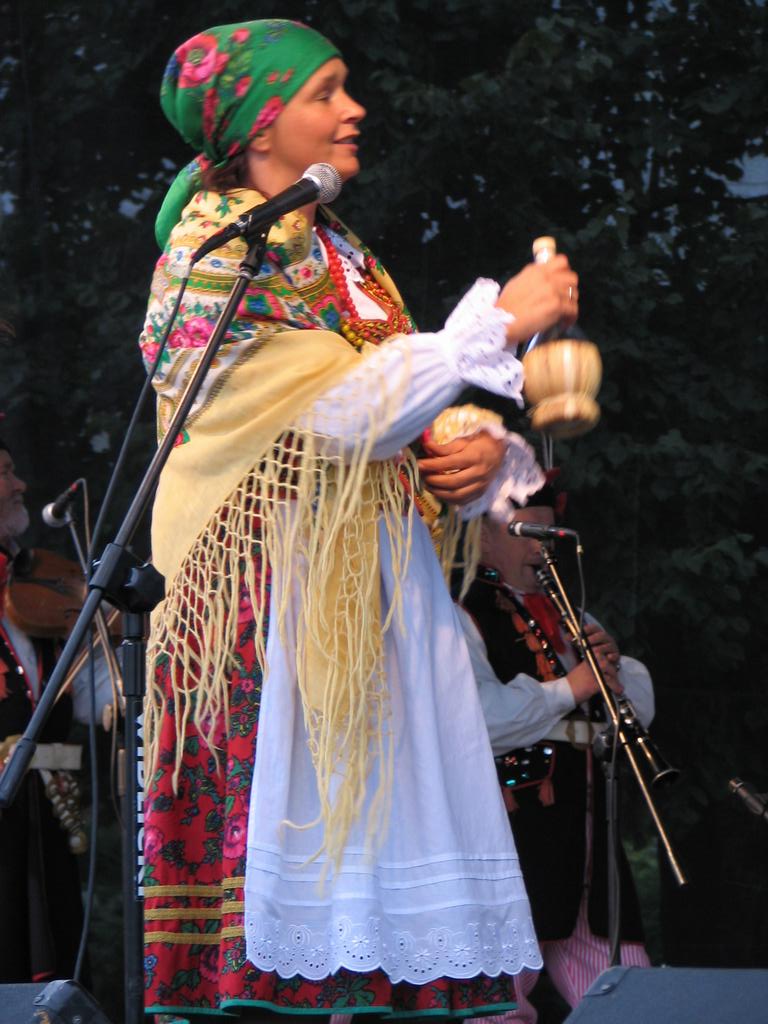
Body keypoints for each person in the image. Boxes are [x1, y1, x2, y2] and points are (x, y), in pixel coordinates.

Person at [140, 19, 580, 1022]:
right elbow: (332, 413)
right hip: (271, 603)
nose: (354, 109)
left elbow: (385, 400)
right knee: (292, 891)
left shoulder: (338, 251)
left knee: (373, 911)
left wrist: (470, 449)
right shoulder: (213, 253)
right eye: (326, 91)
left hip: (367, 599)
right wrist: (495, 325)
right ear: (259, 122)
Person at [458, 475, 653, 1019]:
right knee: (500, 990)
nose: (541, 550)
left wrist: (612, 675)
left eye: (549, 536)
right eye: (526, 534)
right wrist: (573, 688)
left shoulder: (575, 615)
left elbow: (636, 710)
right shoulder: (462, 614)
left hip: (585, 824)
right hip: (512, 826)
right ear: (483, 536)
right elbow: (477, 719)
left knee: (629, 990)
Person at [0, 440, 87, 984]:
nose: (20, 485)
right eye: (5, 473)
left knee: (56, 961)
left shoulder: (38, 586)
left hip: (47, 816)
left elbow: (97, 696)